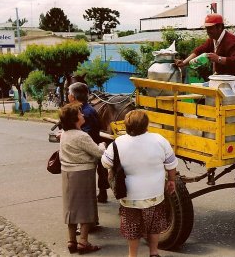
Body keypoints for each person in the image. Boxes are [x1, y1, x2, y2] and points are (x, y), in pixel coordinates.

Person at [101, 110, 178, 257]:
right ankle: (154, 253)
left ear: (127, 125)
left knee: (132, 227)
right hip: (155, 194)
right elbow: (171, 165)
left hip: (129, 196)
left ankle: (132, 255)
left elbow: (106, 163)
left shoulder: (117, 143)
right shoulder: (160, 140)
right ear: (146, 125)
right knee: (154, 225)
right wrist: (172, 181)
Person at [59, 102, 106, 254]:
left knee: (71, 208)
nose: (83, 115)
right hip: (83, 174)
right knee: (86, 208)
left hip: (67, 174)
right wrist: (103, 146)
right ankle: (83, 242)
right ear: (74, 119)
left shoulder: (64, 135)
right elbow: (98, 153)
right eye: (80, 114)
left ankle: (71, 241)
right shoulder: (82, 136)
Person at [175, 13, 235, 87]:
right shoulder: (212, 40)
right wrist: (184, 62)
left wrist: (218, 59)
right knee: (199, 90)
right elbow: (199, 50)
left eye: (210, 28)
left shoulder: (231, 41)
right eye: (206, 28)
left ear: (219, 27)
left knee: (203, 92)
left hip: (234, 82)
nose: (207, 31)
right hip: (220, 80)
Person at [68, 82, 110, 203]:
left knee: (85, 182)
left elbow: (85, 135)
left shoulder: (84, 113)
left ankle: (88, 208)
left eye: (68, 93)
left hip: (89, 152)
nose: (67, 96)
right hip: (94, 146)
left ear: (72, 97)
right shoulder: (86, 109)